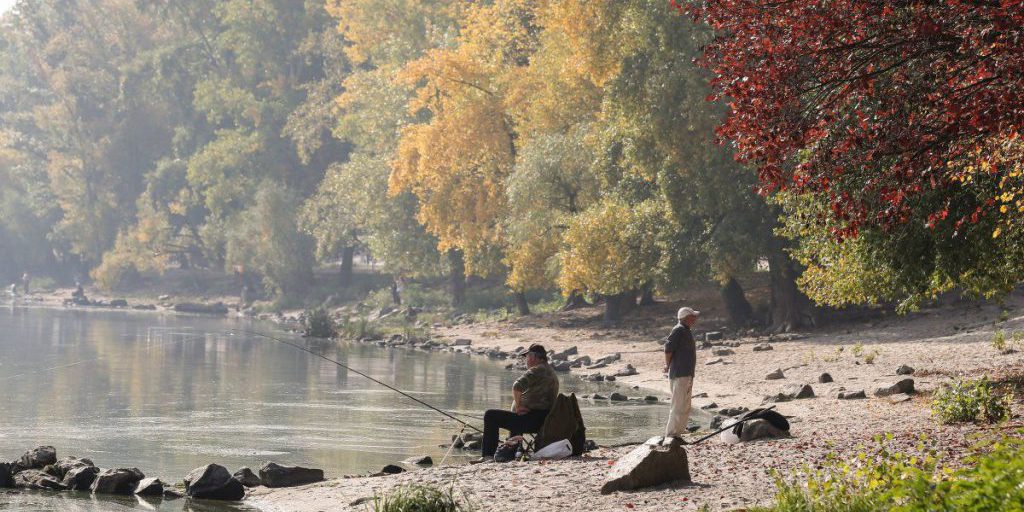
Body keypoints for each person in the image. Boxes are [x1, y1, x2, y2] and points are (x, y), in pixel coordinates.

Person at [479, 344, 560, 460]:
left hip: (532, 420)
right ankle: (511, 454)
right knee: (514, 418)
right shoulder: (550, 371)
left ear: (532, 357)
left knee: (490, 415)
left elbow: (517, 386)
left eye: (526, 357)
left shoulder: (538, 369)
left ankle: (487, 456)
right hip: (543, 420)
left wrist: (518, 406)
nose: (526, 360)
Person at [664, 306, 698, 438]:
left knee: (684, 407)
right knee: (678, 406)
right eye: (692, 316)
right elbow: (668, 349)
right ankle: (671, 435)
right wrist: (667, 365)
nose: (694, 319)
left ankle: (677, 434)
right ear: (686, 318)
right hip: (679, 374)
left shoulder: (685, 330)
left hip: (686, 374)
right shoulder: (678, 330)